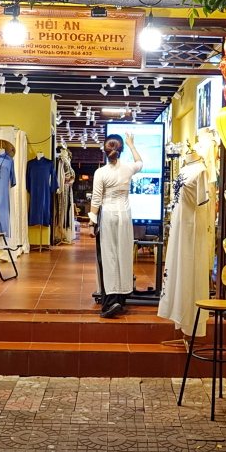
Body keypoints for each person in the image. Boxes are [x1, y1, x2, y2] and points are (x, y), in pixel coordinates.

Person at [90, 133, 142, 318]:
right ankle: (121, 298)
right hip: (125, 216)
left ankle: (110, 302)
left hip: (109, 216)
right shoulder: (128, 168)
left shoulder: (101, 173)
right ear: (120, 150)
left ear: (105, 151)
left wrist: (91, 222)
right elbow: (140, 162)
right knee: (123, 254)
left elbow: (96, 199)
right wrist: (131, 144)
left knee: (108, 257)